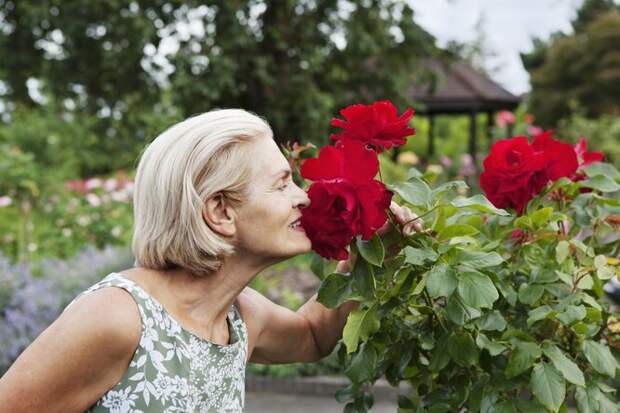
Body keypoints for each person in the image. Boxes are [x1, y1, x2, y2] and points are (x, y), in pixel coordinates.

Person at [0, 109, 422, 412]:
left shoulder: (238, 317)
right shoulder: (118, 317)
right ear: (220, 211)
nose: (304, 196)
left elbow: (313, 335)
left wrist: (373, 256)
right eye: (281, 185)